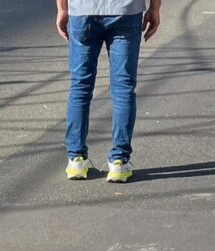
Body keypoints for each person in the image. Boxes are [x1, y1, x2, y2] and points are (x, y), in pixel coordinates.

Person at [55, 0, 160, 182]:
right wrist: (155, 8)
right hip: (126, 10)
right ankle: (119, 161)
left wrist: (62, 8)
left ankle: (76, 160)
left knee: (80, 85)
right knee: (124, 87)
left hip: (82, 11)